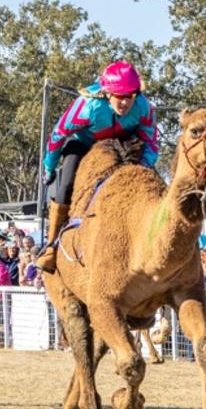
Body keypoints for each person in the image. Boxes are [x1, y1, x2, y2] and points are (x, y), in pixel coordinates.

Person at [36, 61, 158, 272]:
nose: (125, 103)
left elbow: (151, 142)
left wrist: (144, 166)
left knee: (153, 183)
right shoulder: (87, 106)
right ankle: (51, 246)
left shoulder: (143, 108)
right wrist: (49, 168)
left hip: (125, 144)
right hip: (84, 144)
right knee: (65, 185)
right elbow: (58, 136)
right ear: (107, 94)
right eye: (120, 96)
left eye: (130, 96)